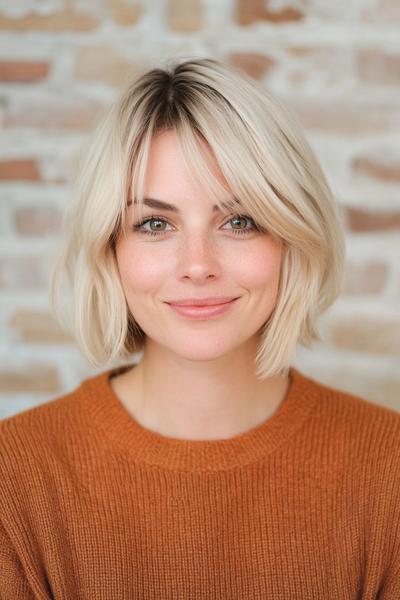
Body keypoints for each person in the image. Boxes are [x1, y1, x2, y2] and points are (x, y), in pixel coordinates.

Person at [0, 58, 399, 599]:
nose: (197, 264)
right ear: (110, 248)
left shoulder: (388, 470)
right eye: (154, 224)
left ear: (292, 238)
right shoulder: (14, 478)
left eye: (240, 221)